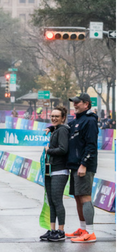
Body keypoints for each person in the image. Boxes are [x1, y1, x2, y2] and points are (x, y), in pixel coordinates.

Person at [65, 93, 99, 243]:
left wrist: (84, 164)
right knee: (78, 197)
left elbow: (91, 146)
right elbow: (65, 129)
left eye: (78, 103)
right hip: (74, 166)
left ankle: (90, 233)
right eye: (74, 102)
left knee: (85, 198)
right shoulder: (77, 120)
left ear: (86, 104)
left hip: (84, 166)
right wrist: (52, 129)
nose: (75, 104)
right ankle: (82, 228)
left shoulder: (90, 121)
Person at [39, 106, 70, 242]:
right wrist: (51, 128)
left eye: (57, 116)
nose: (54, 118)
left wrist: (48, 150)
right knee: (51, 201)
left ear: (63, 118)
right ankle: (52, 230)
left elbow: (63, 149)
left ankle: (61, 231)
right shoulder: (56, 129)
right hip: (51, 170)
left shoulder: (63, 130)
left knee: (57, 201)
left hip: (60, 170)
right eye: (52, 116)